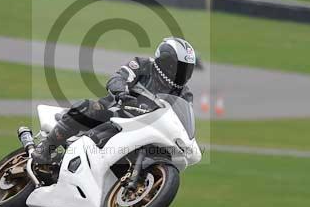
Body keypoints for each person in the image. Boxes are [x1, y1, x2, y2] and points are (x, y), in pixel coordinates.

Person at [31, 37, 197, 166]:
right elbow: (118, 78)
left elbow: (182, 118)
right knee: (88, 108)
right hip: (115, 111)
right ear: (165, 62)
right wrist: (121, 92)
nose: (182, 73)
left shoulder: (184, 93)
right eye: (179, 67)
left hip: (145, 129)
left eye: (186, 69)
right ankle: (46, 146)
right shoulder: (143, 65)